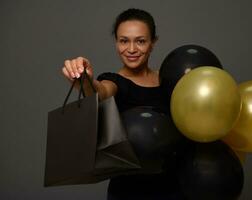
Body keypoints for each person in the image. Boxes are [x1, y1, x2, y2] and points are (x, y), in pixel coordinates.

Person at [62, 8, 184, 200]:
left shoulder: (169, 80)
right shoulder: (114, 81)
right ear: (116, 43)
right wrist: (84, 79)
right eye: (124, 40)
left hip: (174, 187)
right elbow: (100, 93)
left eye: (141, 41)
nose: (132, 49)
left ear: (153, 43)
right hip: (128, 190)